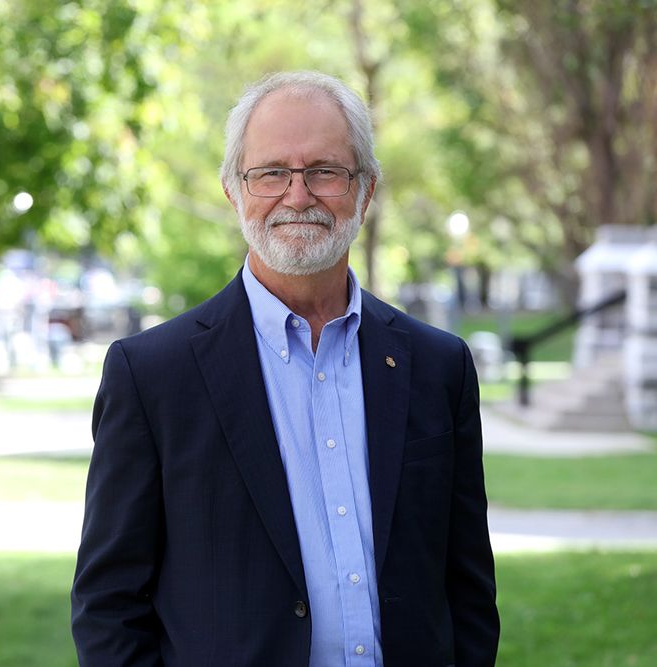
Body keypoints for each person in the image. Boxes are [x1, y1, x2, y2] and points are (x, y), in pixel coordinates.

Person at [71, 71, 500, 666]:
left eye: (325, 170)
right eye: (271, 172)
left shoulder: (438, 366)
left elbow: (468, 589)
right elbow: (108, 606)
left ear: (366, 189)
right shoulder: (152, 377)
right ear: (233, 190)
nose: (298, 196)